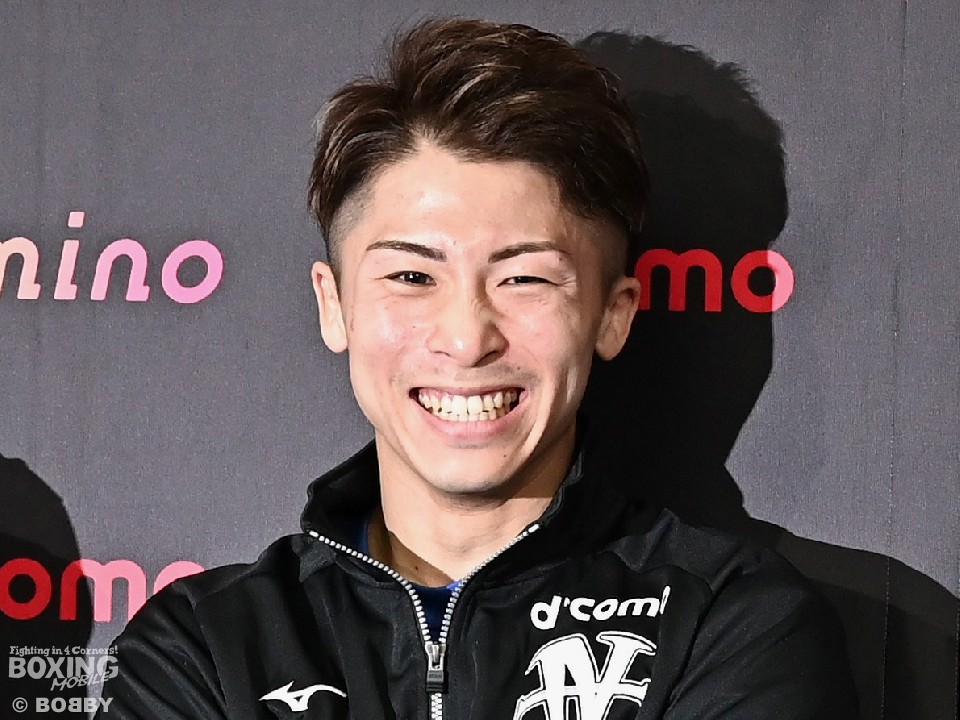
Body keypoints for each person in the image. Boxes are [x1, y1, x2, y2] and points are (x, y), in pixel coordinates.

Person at [96, 18, 857, 719]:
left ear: (613, 314)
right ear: (334, 306)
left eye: (524, 278)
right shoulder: (203, 647)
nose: (466, 340)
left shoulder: (729, 623)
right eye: (412, 276)